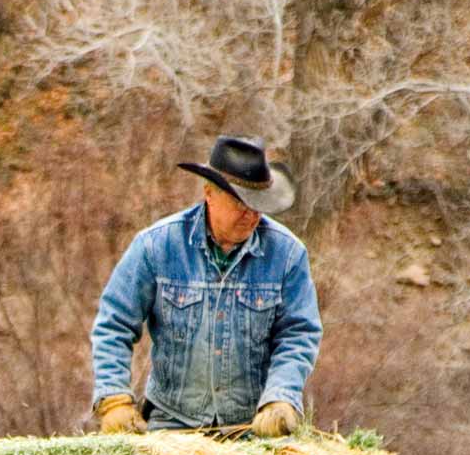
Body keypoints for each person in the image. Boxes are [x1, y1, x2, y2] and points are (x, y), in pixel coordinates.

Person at [89, 135, 322, 437]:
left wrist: (281, 397)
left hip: (252, 428)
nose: (251, 215)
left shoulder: (287, 254)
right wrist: (114, 398)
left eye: (258, 205)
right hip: (172, 427)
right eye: (241, 203)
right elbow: (113, 324)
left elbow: (298, 334)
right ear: (209, 193)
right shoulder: (156, 246)